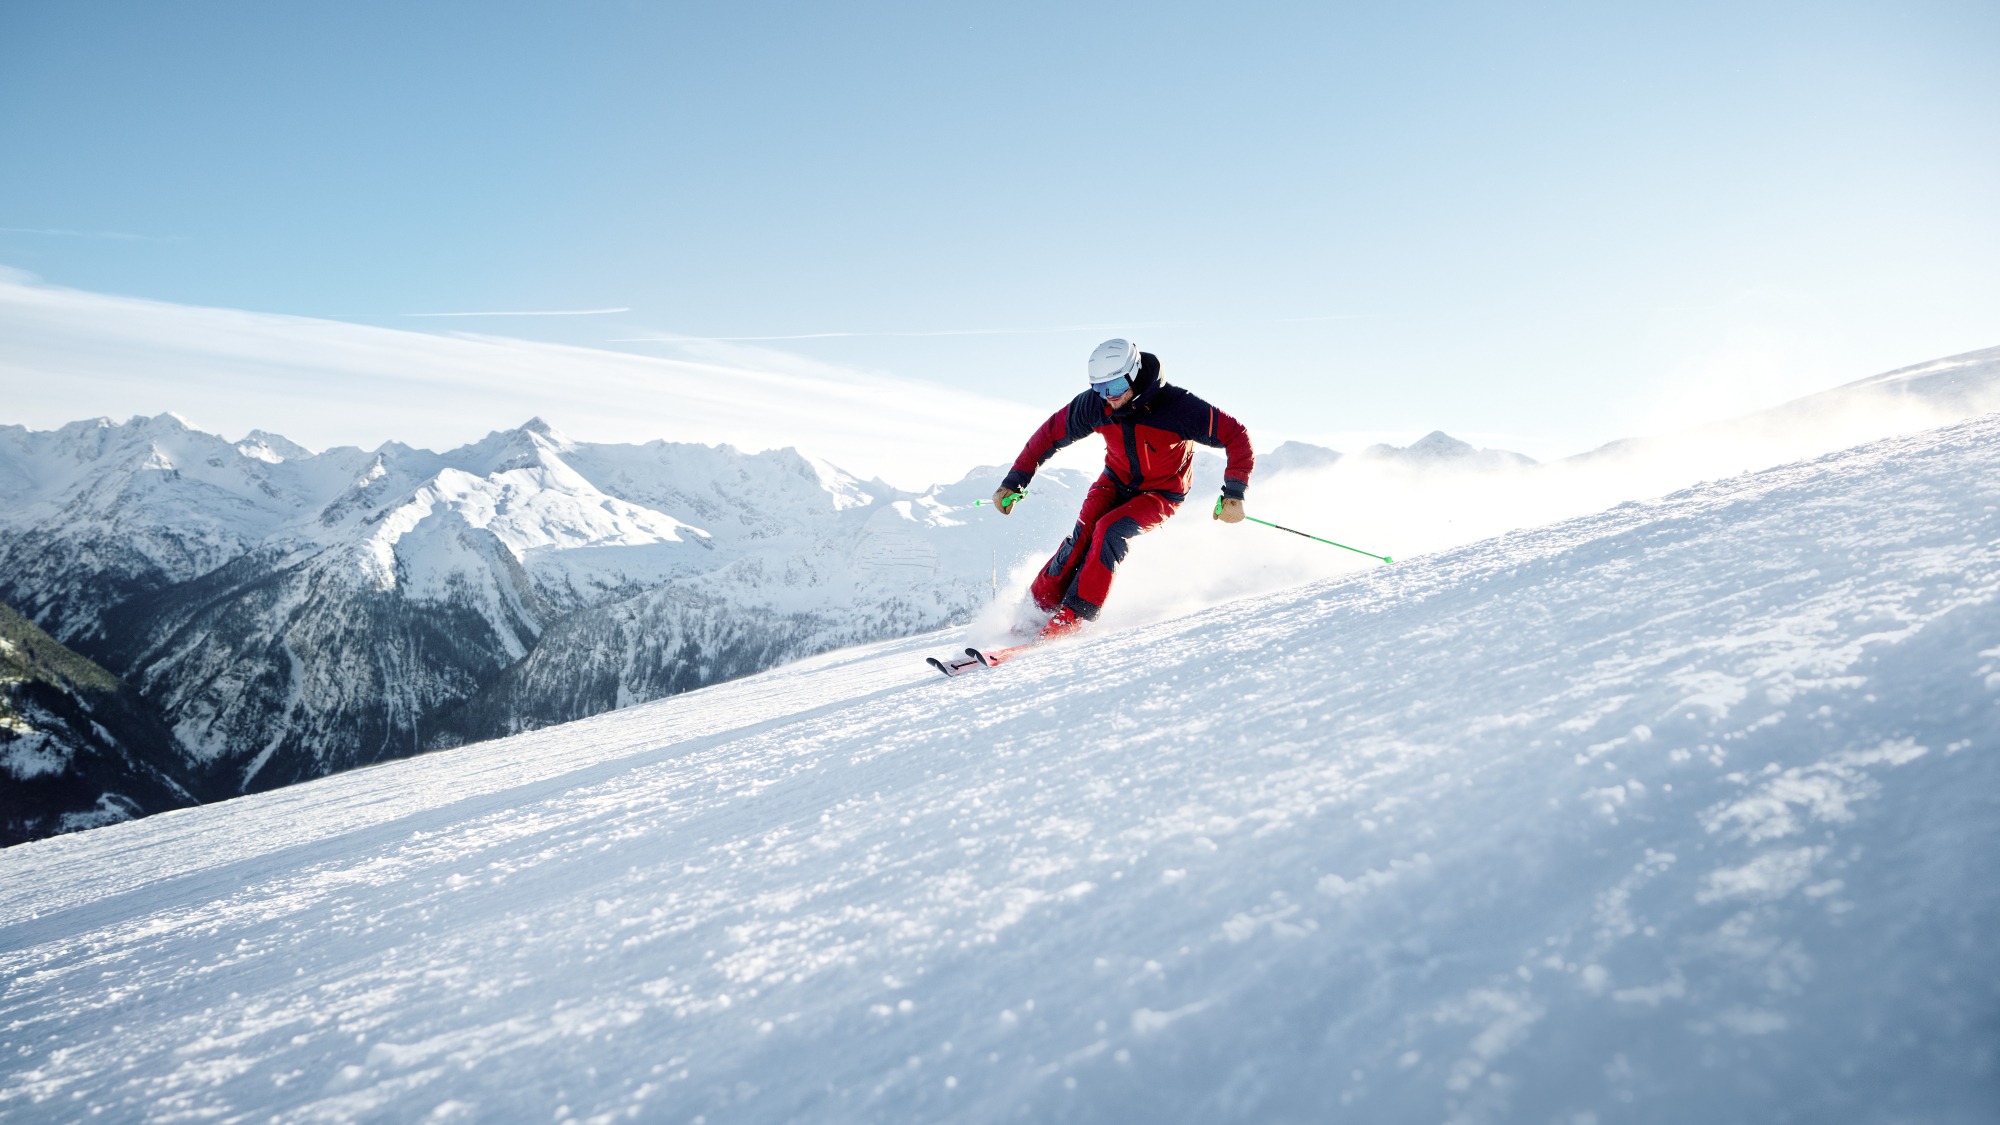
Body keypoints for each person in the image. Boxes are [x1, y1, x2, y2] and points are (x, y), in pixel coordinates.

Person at [991, 338, 1254, 641]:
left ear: (1134, 373)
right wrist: (1014, 482)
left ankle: (1074, 617)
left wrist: (1234, 492)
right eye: (1098, 388)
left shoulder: (1178, 408)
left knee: (1109, 530)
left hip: (1161, 493)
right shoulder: (1096, 404)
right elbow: (1048, 436)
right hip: (1114, 481)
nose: (1107, 397)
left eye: (1114, 387)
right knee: (1083, 535)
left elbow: (1236, 436)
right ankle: (1034, 612)